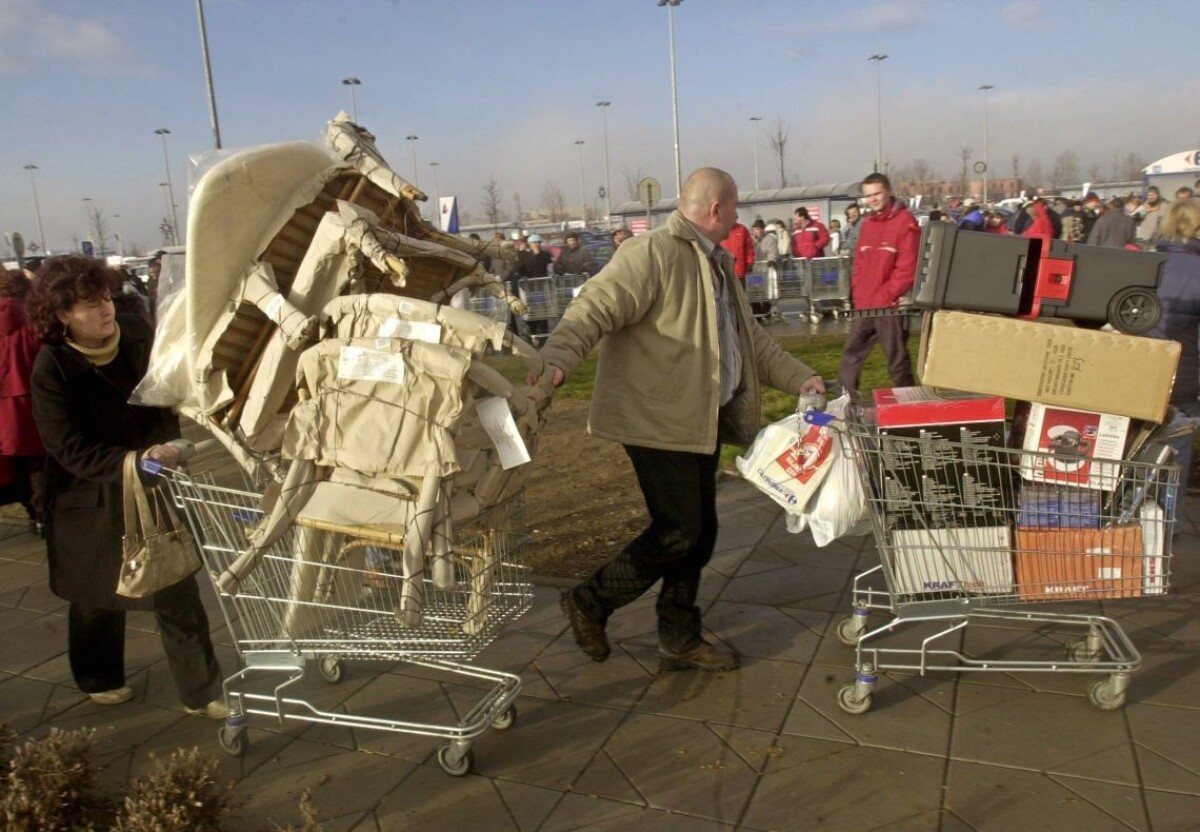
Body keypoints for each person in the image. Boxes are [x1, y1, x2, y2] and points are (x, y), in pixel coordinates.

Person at [532, 168, 825, 672]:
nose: (736, 219)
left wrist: (801, 377)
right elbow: (596, 306)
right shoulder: (652, 254)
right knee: (679, 531)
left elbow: (750, 341)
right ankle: (590, 601)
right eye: (734, 210)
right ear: (717, 210)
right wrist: (556, 359)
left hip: (698, 421)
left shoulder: (716, 262)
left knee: (702, 531)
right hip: (656, 421)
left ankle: (680, 636)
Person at [26, 255, 225, 716]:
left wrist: (175, 440)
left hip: (155, 483)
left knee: (175, 587)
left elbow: (167, 392)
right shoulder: (52, 367)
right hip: (89, 496)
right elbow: (66, 446)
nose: (105, 310)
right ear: (62, 316)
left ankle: (203, 691)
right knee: (96, 596)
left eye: (105, 298)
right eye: (89, 305)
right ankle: (98, 675)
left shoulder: (136, 333)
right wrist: (133, 462)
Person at [838, 172, 920, 392]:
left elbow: (907, 267)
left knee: (897, 361)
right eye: (868, 195)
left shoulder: (905, 222)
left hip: (889, 307)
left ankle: (910, 407)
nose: (872, 199)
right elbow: (859, 264)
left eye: (877, 194)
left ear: (889, 192)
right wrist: (857, 294)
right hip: (864, 306)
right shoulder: (866, 223)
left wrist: (887, 295)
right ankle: (846, 407)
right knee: (850, 358)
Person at [1145, 198, 1200, 518]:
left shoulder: (1147, 264)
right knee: (1176, 454)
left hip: (1141, 369)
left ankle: (1134, 525)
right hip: (1183, 375)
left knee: (1133, 451)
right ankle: (1167, 527)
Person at [0, 267, 45, 536]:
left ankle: (31, 510)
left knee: (13, 463)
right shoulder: (32, 321)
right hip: (31, 402)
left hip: (3, 406)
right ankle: (41, 516)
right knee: (38, 461)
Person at [720, 220, 755, 285]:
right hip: (724, 272)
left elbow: (749, 248)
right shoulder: (719, 229)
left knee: (740, 293)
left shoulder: (742, 229)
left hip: (739, 272)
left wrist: (750, 262)